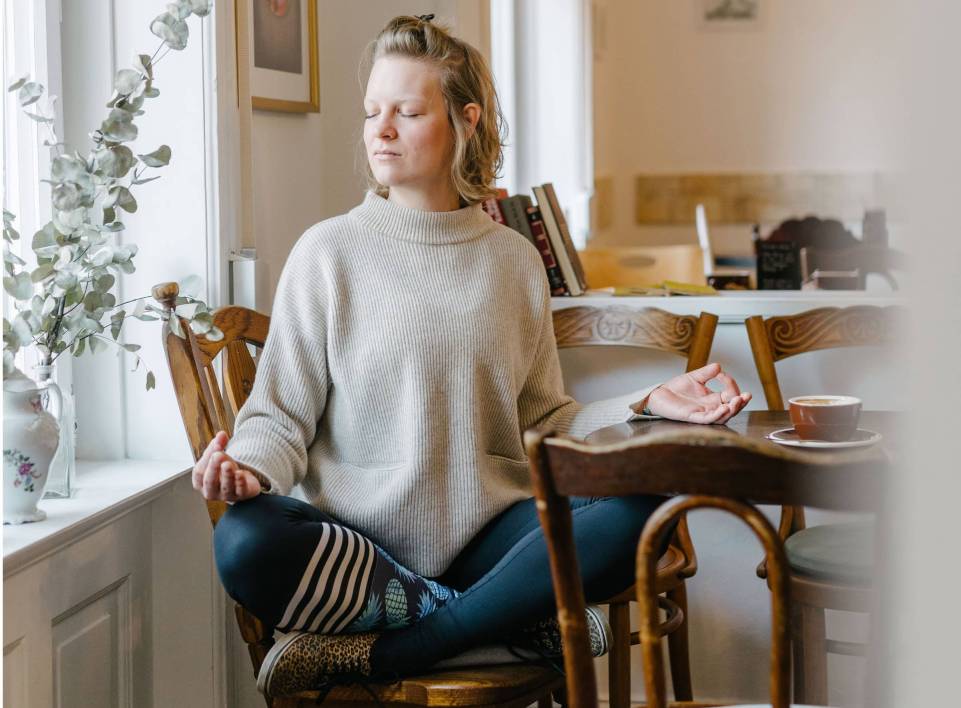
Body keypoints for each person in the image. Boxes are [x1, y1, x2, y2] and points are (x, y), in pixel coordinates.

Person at [195, 15, 751, 699]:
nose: (381, 129)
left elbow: (546, 415)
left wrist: (644, 403)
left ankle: (402, 646)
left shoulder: (512, 260)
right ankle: (497, 621)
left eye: (407, 110)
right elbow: (279, 414)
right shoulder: (327, 252)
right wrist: (246, 469)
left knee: (641, 509)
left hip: (487, 536)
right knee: (245, 542)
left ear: (464, 120)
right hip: (360, 555)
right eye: (372, 111)